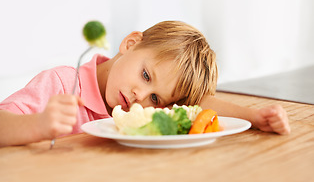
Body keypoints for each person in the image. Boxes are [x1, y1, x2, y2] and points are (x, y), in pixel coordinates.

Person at [0, 21, 290, 147]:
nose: (141, 96)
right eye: (146, 75)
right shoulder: (63, 83)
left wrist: (254, 117)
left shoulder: (147, 110)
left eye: (155, 99)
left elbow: (194, 106)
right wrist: (38, 125)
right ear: (131, 43)